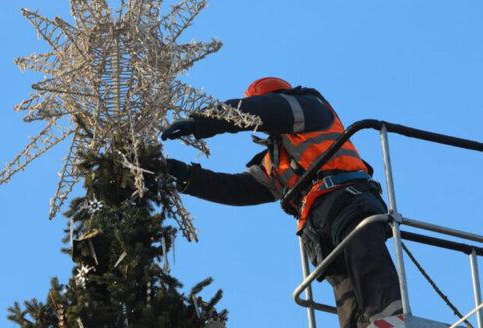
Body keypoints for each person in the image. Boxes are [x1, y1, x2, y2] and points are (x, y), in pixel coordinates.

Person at [160, 77, 403, 328]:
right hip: (319, 224)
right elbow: (237, 189)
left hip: (348, 198)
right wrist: (187, 177)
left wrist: (202, 121)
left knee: (367, 260)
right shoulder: (277, 159)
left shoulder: (310, 107)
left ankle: (390, 322)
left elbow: (262, 111)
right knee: (345, 290)